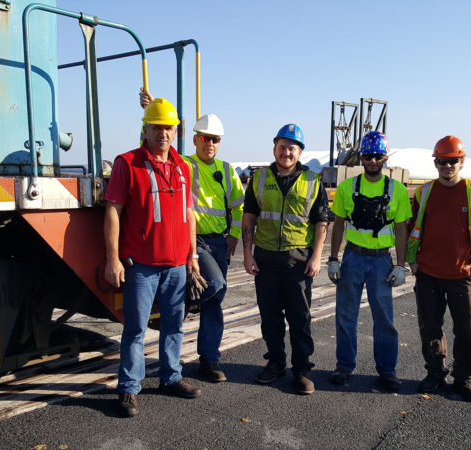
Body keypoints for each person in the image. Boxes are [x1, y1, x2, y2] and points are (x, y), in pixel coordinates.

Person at [104, 98, 202, 418]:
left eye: (168, 127)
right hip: (142, 267)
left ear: (176, 130)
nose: (163, 133)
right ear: (145, 129)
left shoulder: (184, 167)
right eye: (157, 126)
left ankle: (170, 377)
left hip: (176, 264)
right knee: (135, 328)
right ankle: (129, 388)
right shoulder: (127, 163)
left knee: (175, 325)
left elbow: (189, 213)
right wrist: (113, 259)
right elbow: (113, 212)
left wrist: (192, 255)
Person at [139, 89, 245, 383]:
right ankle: (182, 316)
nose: (210, 143)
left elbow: (239, 209)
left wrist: (233, 237)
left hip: (219, 243)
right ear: (195, 138)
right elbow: (151, 149)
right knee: (214, 286)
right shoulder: (182, 163)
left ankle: (208, 360)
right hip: (193, 243)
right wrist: (148, 116)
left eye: (215, 139)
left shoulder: (227, 171)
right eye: (205, 137)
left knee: (213, 300)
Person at [406, 135, 471, 402]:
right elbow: (411, 226)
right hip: (428, 274)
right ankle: (435, 373)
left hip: (462, 275)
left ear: (462, 162)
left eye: (452, 161)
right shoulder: (424, 192)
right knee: (430, 327)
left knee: (466, 330)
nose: (447, 166)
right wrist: (412, 262)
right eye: (442, 162)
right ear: (435, 163)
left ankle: (464, 379)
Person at [242, 124, 329, 395]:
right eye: (282, 146)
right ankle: (276, 363)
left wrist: (317, 257)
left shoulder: (313, 180)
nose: (286, 152)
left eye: (292, 147)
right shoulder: (259, 178)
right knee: (270, 318)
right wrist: (247, 254)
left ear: (300, 151)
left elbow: (321, 221)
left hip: (298, 261)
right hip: (266, 259)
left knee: (300, 319)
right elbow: (249, 217)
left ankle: (301, 371)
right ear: (274, 148)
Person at [327, 131, 411, 392]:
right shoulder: (346, 187)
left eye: (377, 156)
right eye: (368, 156)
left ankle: (387, 370)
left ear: (385, 157)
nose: (372, 161)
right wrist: (333, 259)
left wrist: (400, 265)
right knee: (345, 315)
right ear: (361, 158)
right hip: (353, 257)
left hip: (381, 261)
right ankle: (344, 366)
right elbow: (338, 224)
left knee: (384, 318)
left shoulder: (397, 190)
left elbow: (401, 229)